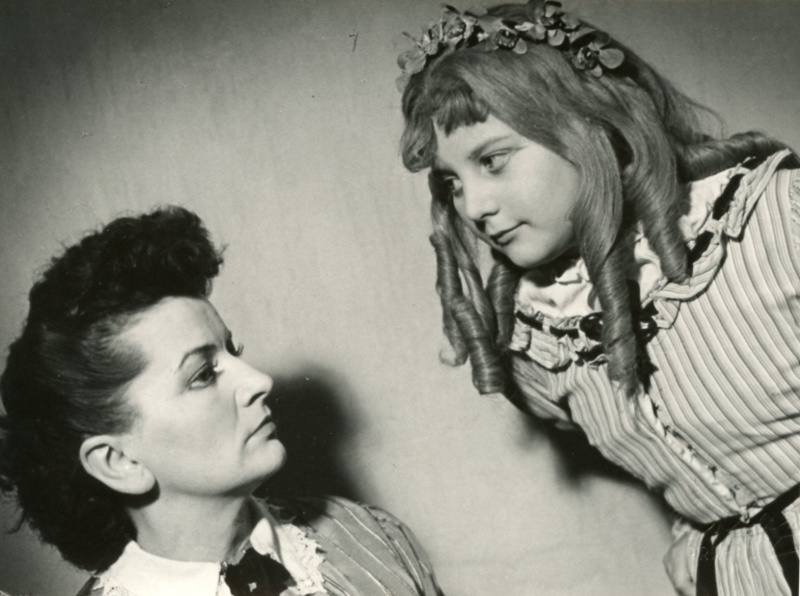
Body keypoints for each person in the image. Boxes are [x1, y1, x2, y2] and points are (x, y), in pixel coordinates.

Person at [396, 1, 800, 595]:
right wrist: (699, 530)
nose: (474, 206)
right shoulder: (537, 341)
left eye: (493, 161)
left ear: (592, 126)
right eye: (452, 182)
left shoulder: (777, 220)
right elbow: (697, 454)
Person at [0, 206, 443, 596]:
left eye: (233, 351)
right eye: (203, 375)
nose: (259, 381)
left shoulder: (369, 534)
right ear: (118, 461)